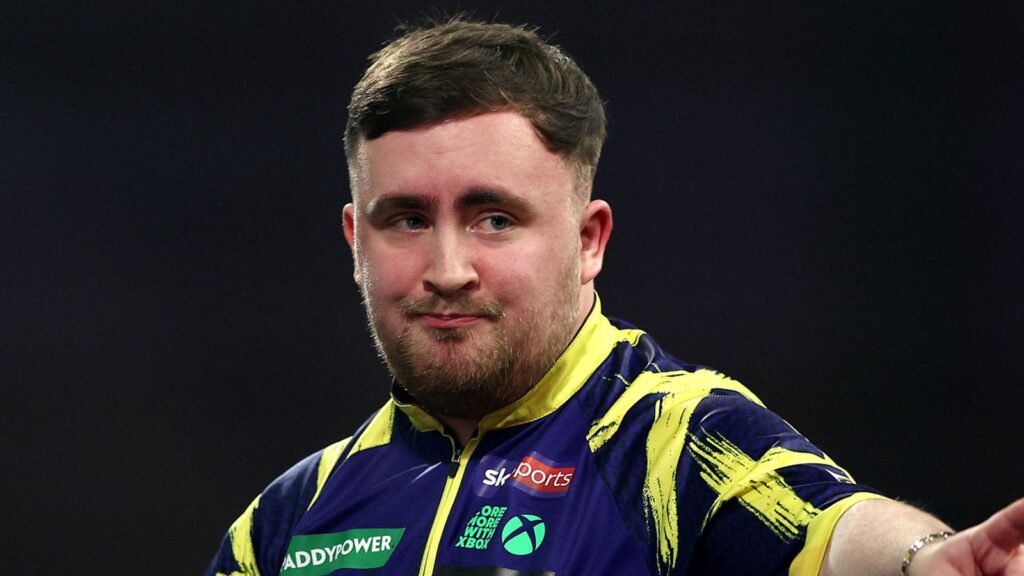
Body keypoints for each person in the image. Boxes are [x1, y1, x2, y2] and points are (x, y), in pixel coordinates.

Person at [206, 18, 1024, 576]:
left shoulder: (674, 440)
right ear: (356, 241)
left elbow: (830, 526)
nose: (448, 268)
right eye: (408, 220)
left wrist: (922, 560)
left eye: (495, 219)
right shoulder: (286, 522)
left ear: (589, 241)